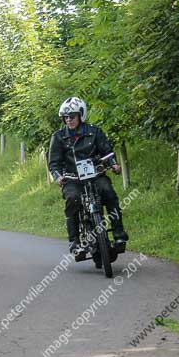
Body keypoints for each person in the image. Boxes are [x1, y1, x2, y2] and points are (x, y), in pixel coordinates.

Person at [48, 97, 129, 256]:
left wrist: (114, 164)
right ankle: (74, 242)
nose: (69, 120)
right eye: (66, 117)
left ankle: (119, 234)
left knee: (108, 192)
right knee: (72, 199)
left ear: (81, 115)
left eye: (72, 116)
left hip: (95, 175)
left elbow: (107, 151)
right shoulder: (58, 137)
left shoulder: (95, 131)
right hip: (72, 179)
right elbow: (54, 163)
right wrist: (58, 177)